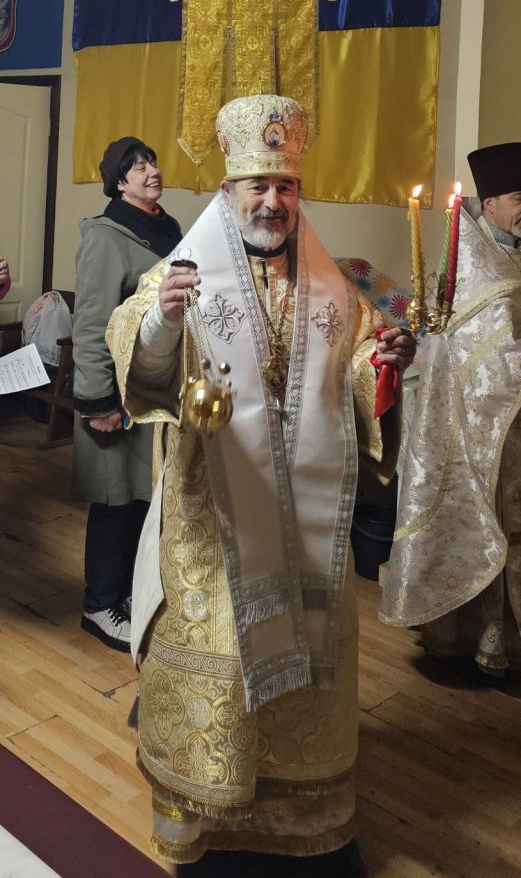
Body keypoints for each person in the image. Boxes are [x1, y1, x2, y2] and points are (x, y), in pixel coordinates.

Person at [106, 95, 416, 875]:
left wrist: (382, 367)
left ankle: (302, 830)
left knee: (306, 675)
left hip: (306, 526)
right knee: (213, 658)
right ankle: (203, 826)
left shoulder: (331, 285)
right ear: (228, 191)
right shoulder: (181, 272)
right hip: (213, 523)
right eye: (257, 186)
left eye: (285, 186)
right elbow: (137, 354)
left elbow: (356, 360)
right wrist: (163, 322)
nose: (272, 201)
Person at [381, 142, 521, 676]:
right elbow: (471, 348)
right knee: (482, 525)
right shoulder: (468, 264)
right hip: (474, 429)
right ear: (490, 203)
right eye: (519, 197)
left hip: (513, 432)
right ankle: (469, 640)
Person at [73, 136, 182, 652]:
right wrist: (98, 402)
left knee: (144, 500)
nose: (151, 171)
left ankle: (130, 595)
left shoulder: (167, 230)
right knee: (115, 502)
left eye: (152, 162)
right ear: (119, 183)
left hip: (155, 391)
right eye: (137, 167)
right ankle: (99, 606)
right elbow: (91, 324)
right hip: (116, 396)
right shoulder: (106, 236)